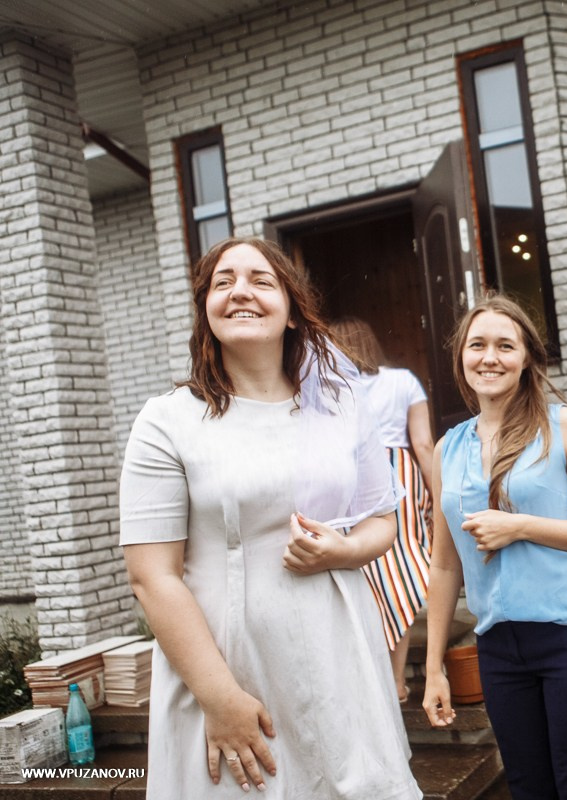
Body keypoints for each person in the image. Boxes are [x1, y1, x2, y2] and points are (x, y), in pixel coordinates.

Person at [119, 237, 422, 799]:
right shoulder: (167, 421)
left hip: (338, 651)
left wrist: (344, 550)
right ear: (206, 309)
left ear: (291, 310)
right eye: (223, 282)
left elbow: (383, 520)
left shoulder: (342, 406)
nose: (241, 291)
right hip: (229, 666)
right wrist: (219, 698)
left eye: (261, 280)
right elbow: (152, 576)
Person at [421, 295, 567, 800]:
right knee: (529, 788)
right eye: (477, 345)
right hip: (499, 647)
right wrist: (433, 667)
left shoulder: (563, 426)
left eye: (505, 346)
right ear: (461, 357)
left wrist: (520, 526)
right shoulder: (448, 449)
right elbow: (444, 566)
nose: (489, 357)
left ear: (527, 357)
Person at [330, 317, 436, 703]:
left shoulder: (332, 387)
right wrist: (438, 494)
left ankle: (379, 680)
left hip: (354, 479)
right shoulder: (404, 381)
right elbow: (423, 444)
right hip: (401, 476)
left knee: (373, 578)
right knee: (401, 573)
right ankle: (397, 679)